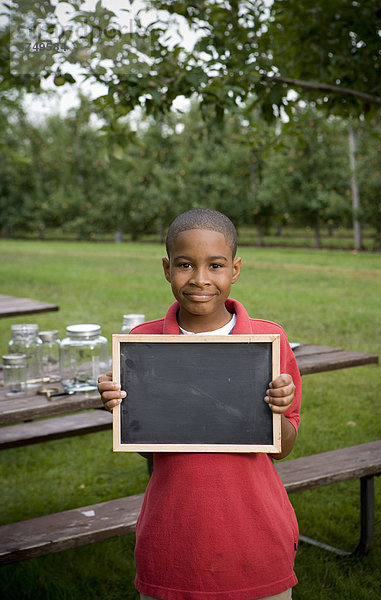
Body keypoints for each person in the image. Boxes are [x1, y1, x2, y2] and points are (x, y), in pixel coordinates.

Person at [98, 208, 301, 600]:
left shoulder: (268, 341)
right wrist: (124, 410)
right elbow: (149, 450)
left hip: (257, 543)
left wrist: (280, 411)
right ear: (166, 268)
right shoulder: (143, 342)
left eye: (216, 265)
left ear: (236, 270)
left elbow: (284, 447)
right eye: (185, 265)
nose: (200, 279)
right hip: (172, 545)